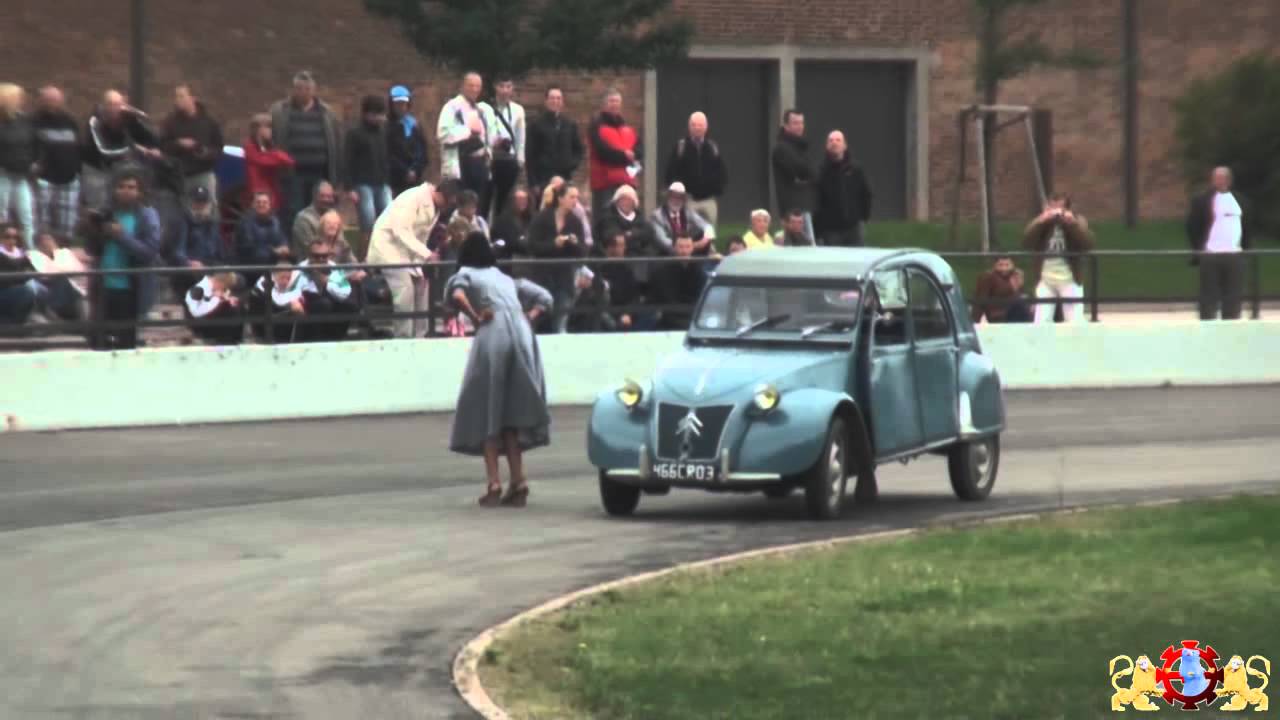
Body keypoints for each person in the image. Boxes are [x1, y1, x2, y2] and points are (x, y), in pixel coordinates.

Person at [444, 231, 553, 507]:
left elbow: (456, 295)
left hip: (494, 332)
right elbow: (545, 297)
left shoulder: (466, 272)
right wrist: (529, 316)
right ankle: (519, 480)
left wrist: (475, 316)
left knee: (486, 406)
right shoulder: (506, 278)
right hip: (522, 332)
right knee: (512, 411)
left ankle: (494, 482)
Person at [83, 166, 161, 350]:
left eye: (131, 187)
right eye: (121, 186)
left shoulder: (147, 216)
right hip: (103, 287)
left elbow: (149, 252)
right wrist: (92, 229)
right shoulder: (106, 212)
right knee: (97, 341)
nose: (125, 191)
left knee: (125, 343)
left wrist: (122, 236)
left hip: (129, 290)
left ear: (140, 191)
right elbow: (91, 250)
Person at [366, 179, 448, 338]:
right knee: (405, 292)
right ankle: (403, 338)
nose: (447, 207)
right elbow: (400, 230)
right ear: (440, 193)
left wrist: (420, 266)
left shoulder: (435, 208)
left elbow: (420, 239)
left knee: (422, 288)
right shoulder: (413, 197)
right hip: (387, 250)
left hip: (407, 254)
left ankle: (420, 337)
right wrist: (427, 254)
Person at [269, 71, 343, 222]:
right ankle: (295, 244)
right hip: (292, 173)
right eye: (299, 88)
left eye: (307, 89)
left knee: (320, 213)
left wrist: (337, 179)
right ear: (293, 90)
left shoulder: (327, 113)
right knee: (293, 212)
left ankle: (319, 244)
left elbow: (337, 143)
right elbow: (271, 137)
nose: (303, 92)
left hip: (321, 173)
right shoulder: (279, 111)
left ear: (314, 90)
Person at [1186, 166, 1249, 321]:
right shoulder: (1202, 201)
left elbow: (1247, 226)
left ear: (1228, 180)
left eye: (1221, 178)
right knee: (1208, 293)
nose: (1218, 181)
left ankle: (1231, 321)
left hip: (1234, 254)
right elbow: (1192, 226)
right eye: (1215, 178)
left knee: (1233, 293)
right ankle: (1207, 323)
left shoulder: (1240, 200)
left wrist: (1246, 249)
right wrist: (1199, 249)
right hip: (1211, 254)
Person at [1022, 192, 1094, 323]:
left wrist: (1072, 224)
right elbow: (1027, 242)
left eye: (1060, 208)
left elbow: (1087, 244)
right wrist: (1040, 222)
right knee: (1041, 320)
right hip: (1045, 278)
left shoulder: (1077, 220)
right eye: (1052, 208)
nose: (1056, 213)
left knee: (1074, 320)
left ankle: (1076, 343)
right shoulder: (1042, 222)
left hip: (1070, 277)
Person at [528, 182, 588, 333]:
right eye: (572, 197)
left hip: (564, 277)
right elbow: (532, 246)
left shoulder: (575, 221)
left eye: (577, 197)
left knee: (561, 320)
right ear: (560, 198)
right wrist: (553, 244)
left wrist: (574, 244)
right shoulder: (542, 218)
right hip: (543, 276)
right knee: (536, 319)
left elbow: (582, 252)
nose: (575, 201)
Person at [438, 72, 497, 217]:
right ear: (463, 86)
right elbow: (443, 134)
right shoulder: (452, 107)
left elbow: (489, 136)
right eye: (471, 85)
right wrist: (468, 131)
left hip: (480, 163)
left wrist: (488, 151)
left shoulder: (482, 110)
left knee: (478, 206)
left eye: (478, 86)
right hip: (461, 162)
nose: (474, 89)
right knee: (459, 204)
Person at [160, 84, 224, 215]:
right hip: (181, 176)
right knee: (184, 214)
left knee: (209, 213)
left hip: (204, 174)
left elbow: (219, 148)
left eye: (182, 96)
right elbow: (163, 146)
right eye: (176, 97)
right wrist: (178, 143)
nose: (178, 100)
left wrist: (206, 153)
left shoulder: (209, 122)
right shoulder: (170, 123)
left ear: (192, 98)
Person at [31, 86, 82, 239]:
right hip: (44, 179)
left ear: (61, 102)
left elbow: (77, 147)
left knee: (66, 224)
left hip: (69, 178)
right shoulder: (33, 121)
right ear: (41, 101)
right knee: (42, 222)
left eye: (55, 100)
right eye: (48, 100)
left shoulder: (70, 121)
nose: (51, 104)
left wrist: (78, 172)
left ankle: (64, 253)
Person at [343, 95, 392, 245]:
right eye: (377, 114)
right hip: (362, 184)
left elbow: (386, 158)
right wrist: (349, 187)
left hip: (382, 183)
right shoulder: (354, 134)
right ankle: (365, 260)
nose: (381, 118)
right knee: (368, 222)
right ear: (367, 114)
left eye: (382, 114)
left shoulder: (383, 133)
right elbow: (347, 161)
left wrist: (388, 181)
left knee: (388, 220)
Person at [663, 111, 726, 226]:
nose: (697, 128)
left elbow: (721, 172)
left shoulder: (712, 147)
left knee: (710, 233)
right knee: (687, 232)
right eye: (694, 125)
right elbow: (670, 173)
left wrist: (716, 189)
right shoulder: (680, 147)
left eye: (700, 125)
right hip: (688, 200)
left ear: (706, 127)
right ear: (689, 127)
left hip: (709, 200)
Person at [588, 88, 640, 223]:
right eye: (611, 101)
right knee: (604, 219)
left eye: (617, 101)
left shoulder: (628, 129)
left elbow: (639, 152)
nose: (614, 104)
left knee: (627, 219)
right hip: (605, 184)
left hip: (627, 183)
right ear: (604, 104)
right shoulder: (596, 126)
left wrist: (633, 168)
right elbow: (603, 152)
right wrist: (625, 156)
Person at [814, 130, 872, 247]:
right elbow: (817, 201)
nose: (834, 143)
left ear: (844, 145)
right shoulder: (821, 172)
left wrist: (863, 217)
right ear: (827, 146)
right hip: (831, 231)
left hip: (853, 228)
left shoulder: (856, 169)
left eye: (838, 140)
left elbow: (866, 194)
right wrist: (819, 229)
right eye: (831, 140)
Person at [525, 87, 583, 205]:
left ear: (562, 102)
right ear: (546, 101)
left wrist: (570, 164)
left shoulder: (569, 124)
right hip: (543, 178)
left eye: (558, 98)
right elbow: (529, 154)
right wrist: (533, 183)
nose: (555, 101)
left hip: (564, 177)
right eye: (552, 98)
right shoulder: (536, 125)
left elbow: (579, 149)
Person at [0, 84, 37, 251]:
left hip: (21, 174)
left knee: (26, 215)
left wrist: (33, 161)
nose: (22, 101)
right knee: (2, 215)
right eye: (18, 98)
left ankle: (30, 252)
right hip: (3, 173)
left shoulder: (24, 120)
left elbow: (33, 142)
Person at [243, 113, 296, 226]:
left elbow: (288, 161)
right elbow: (264, 160)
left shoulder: (269, 146)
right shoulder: (250, 146)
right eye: (267, 127)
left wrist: (277, 156)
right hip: (257, 192)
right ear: (258, 129)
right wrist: (278, 156)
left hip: (272, 192)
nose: (270, 131)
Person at [771, 109, 815, 243]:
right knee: (805, 248)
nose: (800, 126)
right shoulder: (781, 149)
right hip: (792, 210)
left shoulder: (802, 147)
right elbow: (803, 171)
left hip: (804, 205)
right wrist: (805, 176)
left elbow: (809, 173)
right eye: (795, 123)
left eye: (801, 123)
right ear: (786, 125)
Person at [488, 76, 525, 220]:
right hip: (491, 159)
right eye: (502, 86)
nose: (505, 91)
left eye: (508, 87)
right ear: (495, 87)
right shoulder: (485, 108)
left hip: (509, 160)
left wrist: (520, 160)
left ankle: (500, 230)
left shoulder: (517, 110)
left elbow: (520, 138)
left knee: (505, 200)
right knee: (488, 197)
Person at [649, 181, 715, 256]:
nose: (676, 201)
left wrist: (705, 240)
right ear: (667, 198)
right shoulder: (657, 216)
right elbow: (663, 241)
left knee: (702, 235)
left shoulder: (687, 212)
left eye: (680, 198)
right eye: (673, 197)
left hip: (687, 251)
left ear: (683, 200)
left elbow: (707, 226)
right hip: (666, 254)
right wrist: (687, 247)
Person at [386, 85, 429, 198]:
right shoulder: (387, 126)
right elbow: (389, 153)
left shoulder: (414, 124)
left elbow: (422, 150)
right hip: (396, 179)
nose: (401, 107)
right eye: (397, 104)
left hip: (415, 177)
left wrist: (416, 169)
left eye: (403, 104)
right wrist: (405, 171)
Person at [184, 271, 244, 345]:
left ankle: (235, 341)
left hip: (213, 321)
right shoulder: (198, 288)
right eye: (224, 288)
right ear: (219, 283)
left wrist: (227, 299)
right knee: (231, 311)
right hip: (200, 323)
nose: (224, 290)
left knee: (237, 306)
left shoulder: (215, 289)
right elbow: (196, 312)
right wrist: (217, 299)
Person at [971, 255, 1032, 324]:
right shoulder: (989, 277)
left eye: (1007, 265)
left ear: (1013, 265)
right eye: (1000, 265)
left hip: (1015, 312)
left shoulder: (1015, 276)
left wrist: (1018, 284)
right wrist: (975, 321)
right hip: (997, 315)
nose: (1004, 268)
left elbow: (1022, 294)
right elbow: (981, 299)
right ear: (995, 266)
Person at [0, 222, 37, 325]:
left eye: (15, 237)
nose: (12, 240)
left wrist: (23, 270)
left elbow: (33, 270)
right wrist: (23, 271)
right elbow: (8, 277)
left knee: (39, 288)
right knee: (27, 291)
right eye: (7, 237)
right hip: (4, 290)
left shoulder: (21, 254)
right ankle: (15, 324)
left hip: (17, 286)